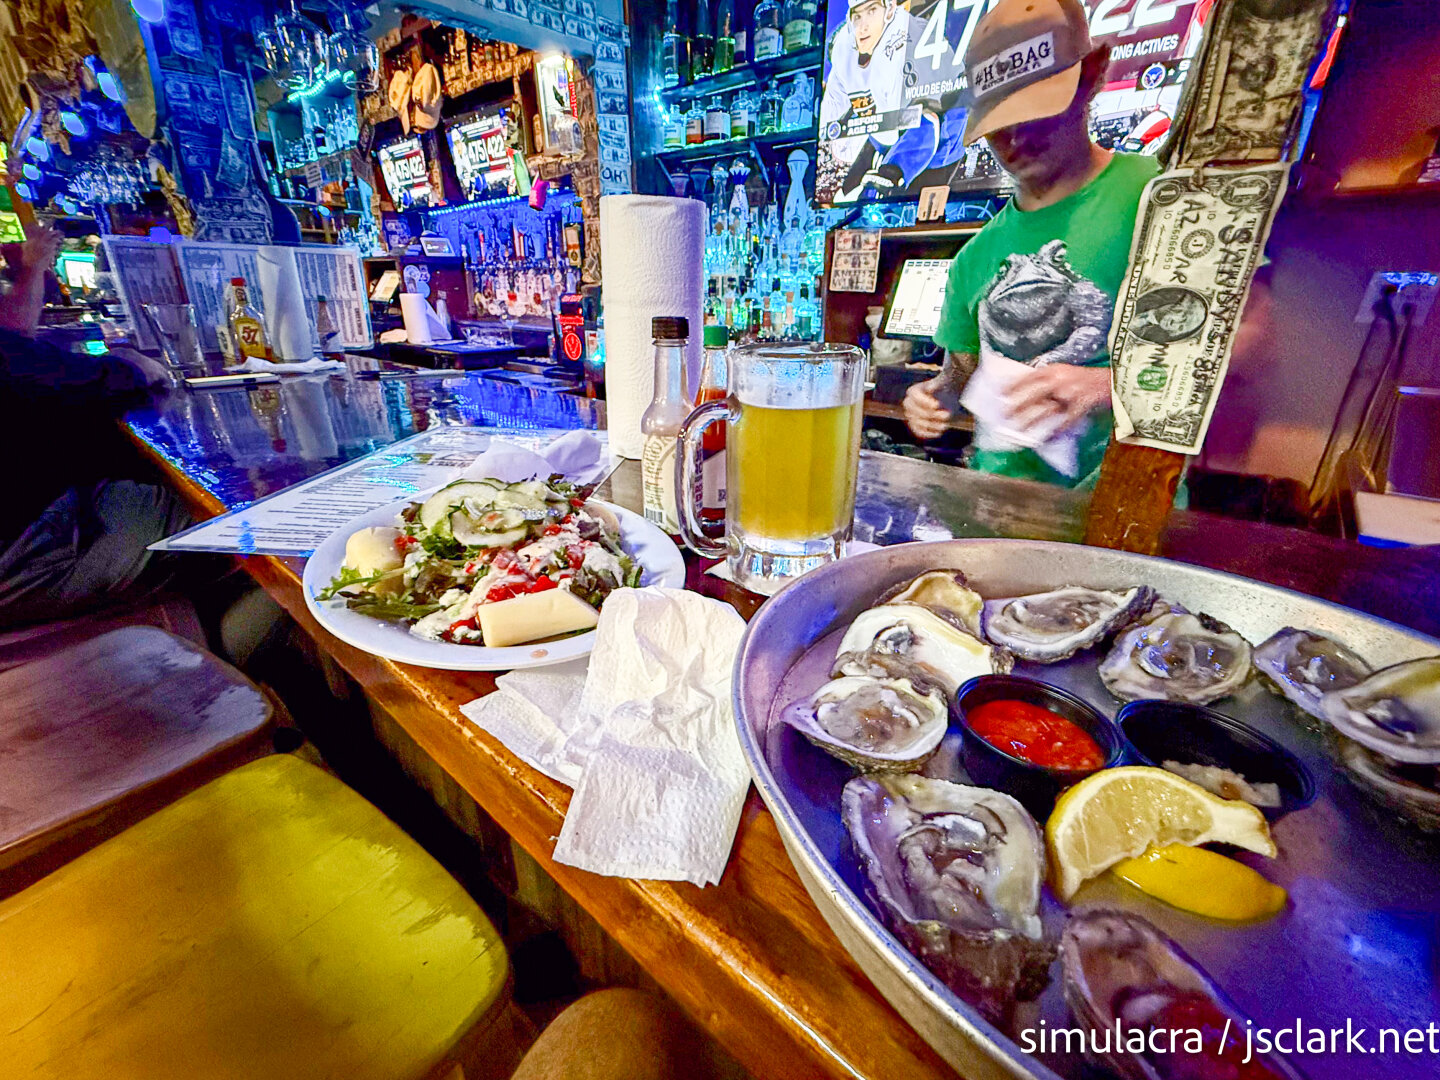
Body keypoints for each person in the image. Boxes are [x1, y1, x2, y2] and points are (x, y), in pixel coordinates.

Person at [903, 0, 1161, 488]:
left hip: (1125, 512)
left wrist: (1107, 385)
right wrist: (931, 398)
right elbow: (958, 378)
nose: (1016, 138)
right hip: (995, 509)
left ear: (1093, 76)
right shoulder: (973, 259)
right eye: (1000, 122)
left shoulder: (1157, 195)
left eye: (1037, 111)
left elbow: (1244, 348)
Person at [0, 223, 184, 629]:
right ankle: (209, 656)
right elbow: (36, 369)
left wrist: (29, 269)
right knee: (209, 515)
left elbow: (13, 341)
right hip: (19, 560)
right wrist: (130, 365)